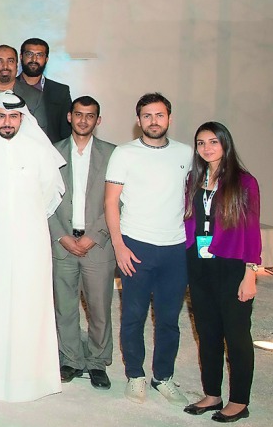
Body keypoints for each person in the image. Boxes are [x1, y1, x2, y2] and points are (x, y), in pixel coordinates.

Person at [0, 91, 64, 402]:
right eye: (1, 116)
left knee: (29, 307)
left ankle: (31, 378)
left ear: (23, 118)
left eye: (13, 116)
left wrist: (23, 224)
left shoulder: (38, 150)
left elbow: (50, 194)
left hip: (30, 244)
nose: (7, 122)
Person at [104, 93, 193, 406]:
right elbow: (111, 201)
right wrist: (119, 246)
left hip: (175, 248)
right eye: (147, 115)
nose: (153, 121)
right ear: (138, 119)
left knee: (169, 318)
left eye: (159, 115)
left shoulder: (187, 153)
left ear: (169, 117)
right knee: (133, 316)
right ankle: (135, 375)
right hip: (136, 245)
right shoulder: (124, 154)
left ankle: (163, 377)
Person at [182, 122, 261, 422]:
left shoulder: (245, 182)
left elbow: (252, 231)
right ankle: (212, 394)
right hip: (199, 266)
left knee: (237, 335)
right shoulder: (193, 179)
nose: (207, 148)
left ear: (225, 144)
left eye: (213, 142)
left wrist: (250, 272)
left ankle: (240, 401)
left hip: (232, 266)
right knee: (208, 333)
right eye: (201, 143)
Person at [48, 96, 116, 389]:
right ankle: (71, 359)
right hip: (62, 242)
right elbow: (41, 199)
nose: (84, 120)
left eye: (90, 116)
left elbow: (119, 202)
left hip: (98, 245)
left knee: (99, 308)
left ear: (98, 120)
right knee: (64, 307)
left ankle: (98, 362)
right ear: (69, 116)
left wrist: (94, 236)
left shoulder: (113, 155)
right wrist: (61, 236)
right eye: (79, 114)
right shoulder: (52, 153)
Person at [19, 38, 73, 142]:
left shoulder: (61, 91)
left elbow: (66, 132)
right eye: (29, 54)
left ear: (46, 59)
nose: (34, 59)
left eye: (39, 55)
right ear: (21, 57)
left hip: (50, 152)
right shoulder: (8, 88)